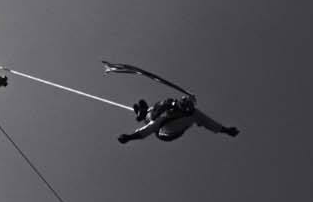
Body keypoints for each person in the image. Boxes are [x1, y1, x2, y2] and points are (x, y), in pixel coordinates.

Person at [103, 61, 240, 144]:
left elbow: (211, 123)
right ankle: (145, 114)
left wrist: (129, 137)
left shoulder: (194, 115)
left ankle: (145, 115)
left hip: (166, 133)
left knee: (163, 114)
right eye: (180, 104)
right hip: (159, 121)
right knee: (167, 103)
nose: (178, 106)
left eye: (182, 106)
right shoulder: (172, 106)